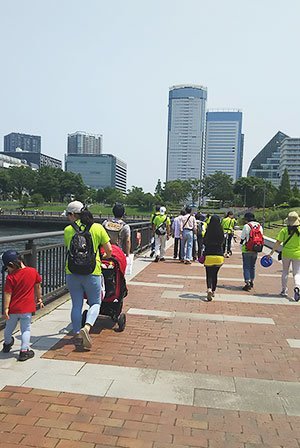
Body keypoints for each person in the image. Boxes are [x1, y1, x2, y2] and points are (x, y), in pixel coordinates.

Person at [64, 201, 112, 349]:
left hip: (72, 272)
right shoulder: (97, 227)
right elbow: (109, 250)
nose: (67, 217)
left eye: (68, 215)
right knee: (95, 302)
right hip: (93, 271)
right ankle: (88, 327)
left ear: (73, 215)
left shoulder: (68, 230)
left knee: (76, 304)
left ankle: (77, 333)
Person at [2, 250, 43, 361]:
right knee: (25, 330)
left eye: (7, 268)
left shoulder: (10, 278)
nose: (7, 271)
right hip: (27, 308)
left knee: (9, 328)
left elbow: (7, 293)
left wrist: (6, 308)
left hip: (13, 309)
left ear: (10, 265)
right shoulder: (32, 271)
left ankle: (7, 343)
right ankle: (24, 351)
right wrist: (39, 298)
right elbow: (37, 286)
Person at [267, 211, 300, 301]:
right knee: (297, 273)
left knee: (285, 271)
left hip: (286, 254)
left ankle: (284, 290)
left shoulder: (284, 230)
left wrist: (271, 253)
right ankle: (297, 286)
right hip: (298, 254)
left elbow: (278, 242)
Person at [240, 212, 264, 291]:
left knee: (246, 266)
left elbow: (243, 237)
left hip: (247, 248)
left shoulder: (247, 226)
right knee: (252, 266)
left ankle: (247, 282)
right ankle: (252, 280)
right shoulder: (259, 226)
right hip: (256, 248)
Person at [203, 215, 224, 301]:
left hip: (209, 255)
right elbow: (223, 242)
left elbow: (204, 242)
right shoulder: (220, 231)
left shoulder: (208, 231)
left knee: (208, 274)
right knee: (215, 274)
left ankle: (209, 289)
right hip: (219, 256)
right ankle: (214, 291)